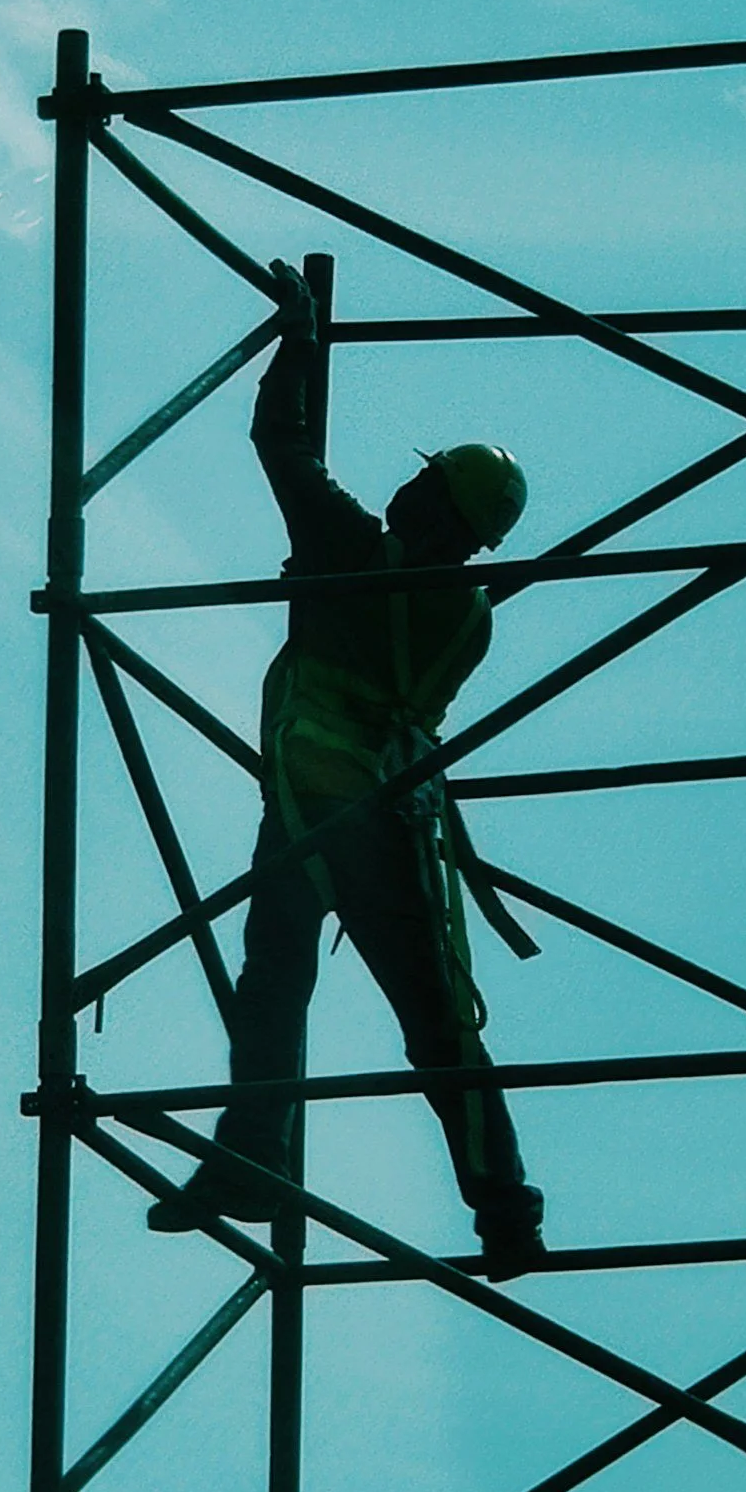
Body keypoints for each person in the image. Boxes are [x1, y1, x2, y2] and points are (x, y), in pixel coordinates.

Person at [151, 261, 547, 1280]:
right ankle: (506, 1211)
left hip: (317, 797)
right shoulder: (469, 613)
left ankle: (250, 1157)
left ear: (431, 499)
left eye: (421, 478)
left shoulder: (348, 546)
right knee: (435, 1019)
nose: (405, 480)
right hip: (397, 810)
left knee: (276, 974)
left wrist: (300, 335)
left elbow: (278, 443)